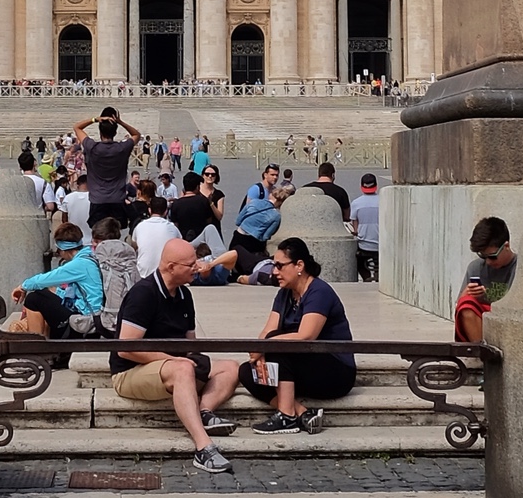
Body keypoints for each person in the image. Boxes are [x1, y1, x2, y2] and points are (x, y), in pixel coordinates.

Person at [109, 237, 242, 474]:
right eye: (190, 264)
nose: (197, 267)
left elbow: (189, 343)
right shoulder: (143, 294)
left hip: (173, 365)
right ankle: (203, 447)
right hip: (130, 371)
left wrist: (193, 359)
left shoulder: (184, 295)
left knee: (231, 367)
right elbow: (126, 348)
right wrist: (174, 361)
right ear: (171, 267)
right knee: (183, 369)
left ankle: (203, 411)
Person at [241, 237, 357, 432]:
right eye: (273, 265)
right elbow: (268, 330)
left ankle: (287, 416)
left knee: (279, 346)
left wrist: (266, 346)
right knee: (247, 371)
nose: (274, 272)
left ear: (299, 265)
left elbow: (306, 336)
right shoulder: (284, 293)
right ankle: (302, 413)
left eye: (279, 265)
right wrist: (257, 352)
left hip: (335, 370)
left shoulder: (319, 292)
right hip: (302, 365)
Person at [75, 108, 141, 221]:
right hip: (117, 199)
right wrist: (120, 122)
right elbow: (136, 134)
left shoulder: (92, 147)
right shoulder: (122, 148)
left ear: (100, 132)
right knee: (115, 232)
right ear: (115, 132)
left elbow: (77, 127)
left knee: (98, 233)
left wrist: (95, 119)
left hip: (98, 199)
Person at [465, 215, 517, 301]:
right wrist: (468, 292)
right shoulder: (476, 268)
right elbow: (461, 308)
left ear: (506, 246)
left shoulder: (521, 269)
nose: (488, 262)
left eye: (492, 256)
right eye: (483, 256)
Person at [353, 173, 381, 281]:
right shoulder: (383, 200)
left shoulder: (356, 203)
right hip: (381, 244)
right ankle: (378, 275)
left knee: (359, 262)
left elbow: (355, 225)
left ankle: (367, 277)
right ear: (376, 186)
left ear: (361, 187)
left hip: (365, 245)